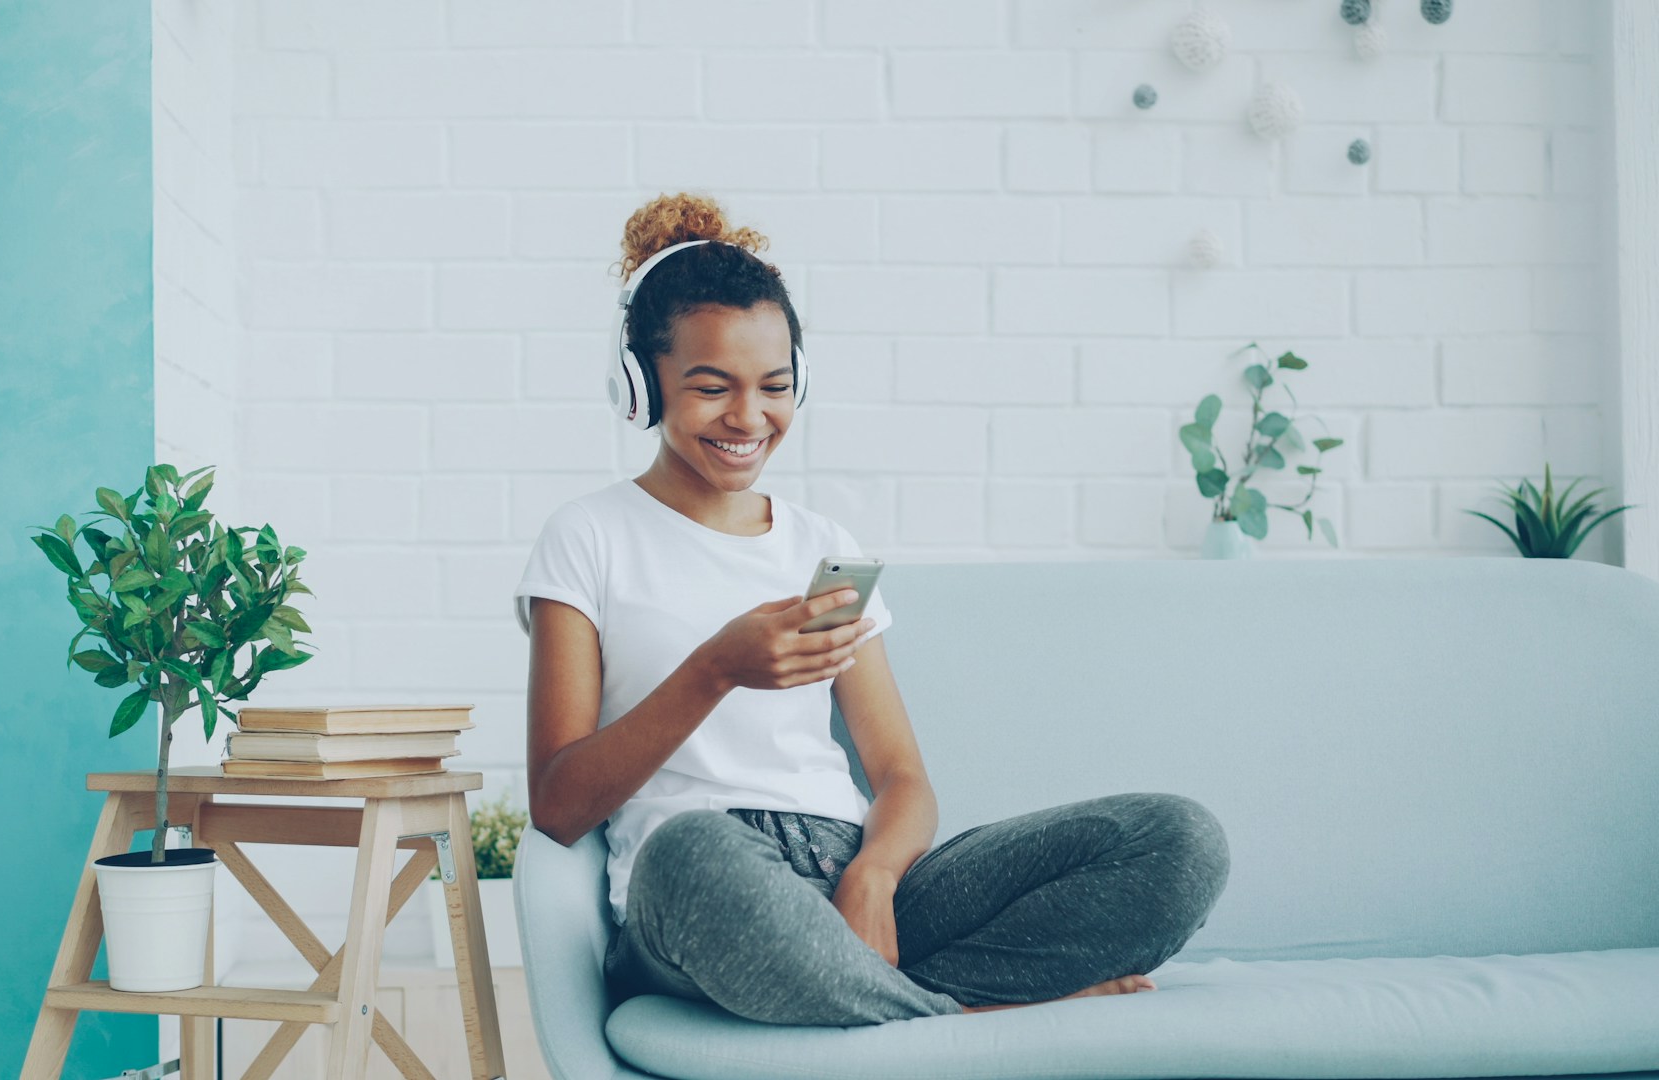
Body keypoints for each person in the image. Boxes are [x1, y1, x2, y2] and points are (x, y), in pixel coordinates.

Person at [513, 191, 1230, 1027]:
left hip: (848, 872)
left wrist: (874, 876)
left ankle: (879, 1000)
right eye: (712, 389)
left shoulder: (822, 545)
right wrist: (715, 669)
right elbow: (559, 805)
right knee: (693, 851)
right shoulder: (586, 538)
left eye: (775, 386)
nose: (749, 417)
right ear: (642, 385)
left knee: (1176, 842)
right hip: (709, 889)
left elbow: (901, 779)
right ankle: (961, 1017)